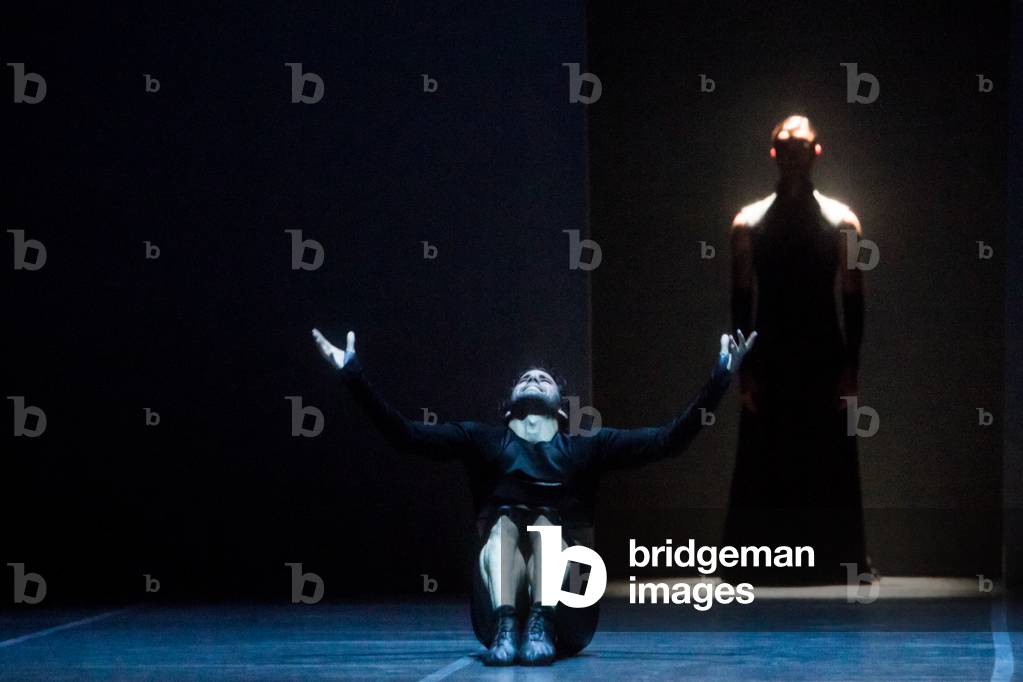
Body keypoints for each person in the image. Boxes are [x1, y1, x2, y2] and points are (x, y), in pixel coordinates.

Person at [312, 327, 755, 666]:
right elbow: (405, 435)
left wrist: (719, 379)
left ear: (560, 407)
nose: (535, 378)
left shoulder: (586, 447)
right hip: (496, 615)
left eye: (544, 378)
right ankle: (512, 626)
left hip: (571, 610)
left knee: (544, 525)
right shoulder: (482, 441)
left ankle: (540, 624)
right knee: (506, 523)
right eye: (527, 377)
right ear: (510, 406)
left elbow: (669, 441)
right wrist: (354, 376)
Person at [724, 114, 872, 584]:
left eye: (801, 144)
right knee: (767, 451)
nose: (793, 152)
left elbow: (852, 293)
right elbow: (740, 299)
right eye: (785, 144)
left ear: (816, 152)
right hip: (771, 351)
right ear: (774, 153)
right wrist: (743, 371)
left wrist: (850, 367)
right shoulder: (747, 221)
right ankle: (757, 559)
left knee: (827, 450)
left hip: (821, 348)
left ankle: (838, 557)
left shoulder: (842, 220)